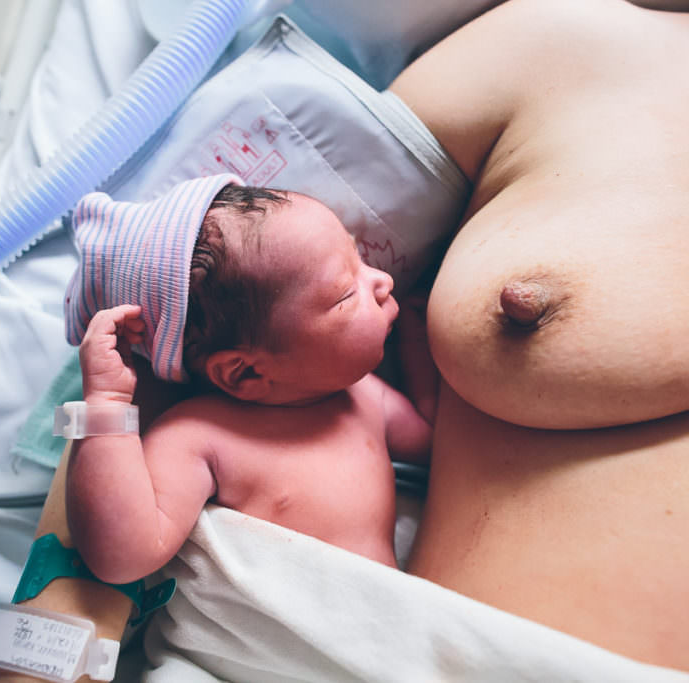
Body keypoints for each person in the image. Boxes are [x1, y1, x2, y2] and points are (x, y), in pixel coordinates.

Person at [0, 0, 689, 680]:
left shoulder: (368, 401)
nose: (377, 283)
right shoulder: (562, 45)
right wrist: (40, 661)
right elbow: (181, 304)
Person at [61, 176, 432, 584]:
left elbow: (440, 443)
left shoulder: (364, 396)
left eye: (357, 255)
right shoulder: (196, 435)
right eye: (346, 293)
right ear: (245, 372)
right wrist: (105, 404)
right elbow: (122, 557)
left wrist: (420, 337)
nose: (383, 281)